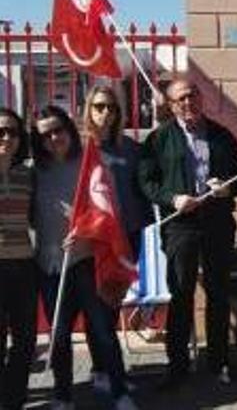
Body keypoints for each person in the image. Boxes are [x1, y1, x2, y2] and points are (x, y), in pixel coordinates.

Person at [138, 79, 237, 387]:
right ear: (171, 105)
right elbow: (146, 181)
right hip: (180, 226)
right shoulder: (159, 139)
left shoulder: (222, 135)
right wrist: (172, 198)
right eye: (181, 99)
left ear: (201, 99)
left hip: (217, 223)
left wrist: (228, 188)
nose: (189, 103)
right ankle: (178, 365)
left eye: (193, 96)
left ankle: (218, 361)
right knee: (181, 294)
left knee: (218, 293)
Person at [32, 106, 137, 410]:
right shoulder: (35, 171)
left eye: (58, 130)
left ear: (68, 129)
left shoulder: (91, 165)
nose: (53, 138)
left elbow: (109, 213)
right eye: (45, 135)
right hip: (51, 266)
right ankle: (63, 395)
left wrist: (86, 230)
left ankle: (120, 392)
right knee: (60, 336)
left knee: (103, 331)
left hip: (88, 262)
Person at [82, 84, 151, 394]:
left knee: (112, 306)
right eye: (99, 106)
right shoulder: (81, 149)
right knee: (98, 309)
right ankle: (106, 371)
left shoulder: (131, 149)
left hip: (128, 237)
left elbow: (146, 185)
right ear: (89, 110)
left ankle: (107, 369)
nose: (105, 112)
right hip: (96, 242)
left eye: (110, 107)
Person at [0, 108, 37, 410]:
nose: (6, 137)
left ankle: (14, 399)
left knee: (25, 341)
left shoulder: (28, 173)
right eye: (0, 131)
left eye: (12, 132)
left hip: (24, 265)